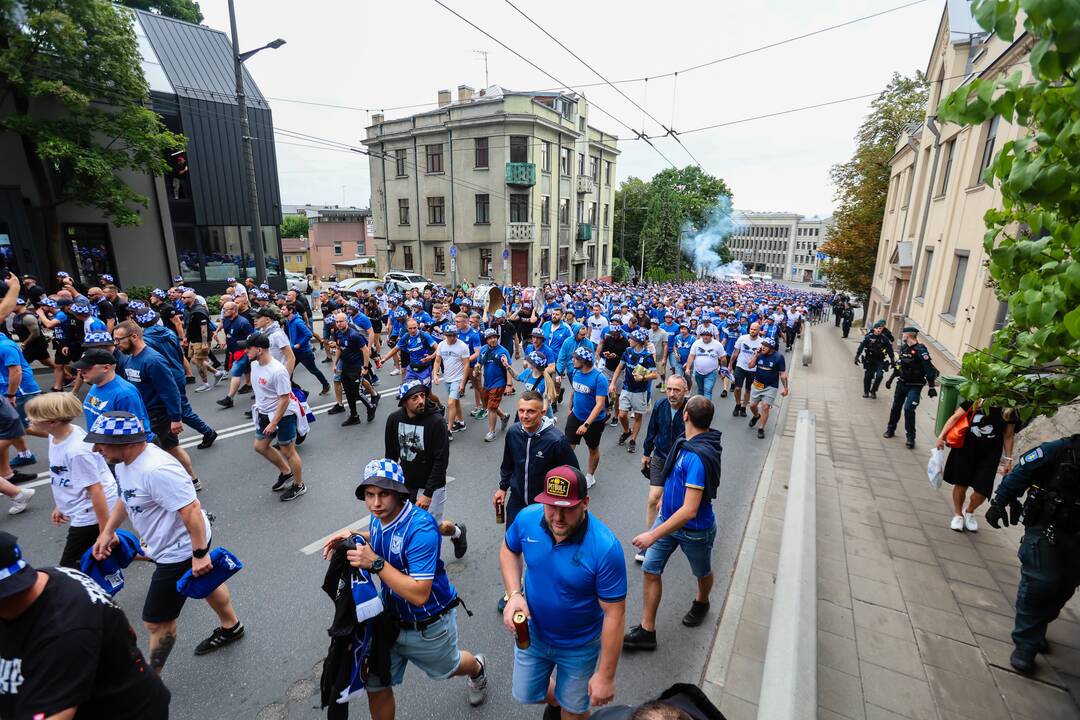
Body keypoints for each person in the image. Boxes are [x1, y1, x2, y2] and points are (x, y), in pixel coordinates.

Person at [321, 459, 489, 718]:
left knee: (451, 666)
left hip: (428, 627)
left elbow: (419, 594)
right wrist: (353, 535)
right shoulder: (378, 517)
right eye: (369, 495)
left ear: (399, 493)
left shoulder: (420, 528)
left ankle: (477, 668)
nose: (376, 503)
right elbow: (378, 535)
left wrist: (374, 563)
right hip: (388, 620)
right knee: (375, 684)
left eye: (384, 494)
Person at [90, 411, 244, 670]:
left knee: (156, 622)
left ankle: (151, 681)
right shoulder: (125, 463)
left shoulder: (156, 470)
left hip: (181, 550)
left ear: (123, 442)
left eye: (100, 442)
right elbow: (125, 497)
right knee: (205, 581)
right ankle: (232, 626)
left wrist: (199, 556)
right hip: (172, 545)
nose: (95, 448)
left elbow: (191, 510)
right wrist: (107, 531)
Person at [501, 465, 627, 720]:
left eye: (567, 508)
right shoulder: (527, 519)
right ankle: (564, 698)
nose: (558, 516)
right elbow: (508, 549)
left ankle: (571, 704)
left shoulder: (605, 548)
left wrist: (605, 675)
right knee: (526, 693)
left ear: (585, 503)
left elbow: (615, 613)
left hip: (579, 646)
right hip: (533, 635)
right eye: (551, 506)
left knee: (574, 712)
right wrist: (514, 594)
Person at [0, 531, 171, 718]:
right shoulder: (52, 575)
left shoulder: (65, 631)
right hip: (128, 686)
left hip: (127, 710)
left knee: (157, 621)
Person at [624, 396, 723, 651]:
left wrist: (652, 534)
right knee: (651, 569)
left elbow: (690, 510)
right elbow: (674, 478)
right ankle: (647, 630)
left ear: (686, 416)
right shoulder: (687, 443)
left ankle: (702, 601)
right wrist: (665, 499)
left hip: (694, 532)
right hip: (667, 518)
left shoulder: (697, 458)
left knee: (702, 573)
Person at [983, 434, 1080, 675]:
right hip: (1046, 528)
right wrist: (999, 503)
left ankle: (1038, 625)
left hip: (1076, 537)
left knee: (1065, 586)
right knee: (1041, 582)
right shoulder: (1059, 450)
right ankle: (1026, 644)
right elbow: (1022, 472)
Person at [26, 392, 118, 568]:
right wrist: (62, 504)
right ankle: (150, 554)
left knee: (70, 566)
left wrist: (105, 531)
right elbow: (63, 475)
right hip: (83, 506)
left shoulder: (76, 451)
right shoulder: (56, 435)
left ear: (53, 422)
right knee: (98, 553)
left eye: (33, 417)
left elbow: (96, 490)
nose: (28, 419)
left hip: (91, 511)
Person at [114, 320, 205, 490]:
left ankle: (188, 480)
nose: (116, 344)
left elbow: (170, 391)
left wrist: (176, 418)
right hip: (143, 413)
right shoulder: (129, 358)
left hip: (158, 415)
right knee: (166, 449)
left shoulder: (153, 360)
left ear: (134, 337)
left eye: (119, 340)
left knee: (167, 449)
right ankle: (181, 481)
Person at [384, 380, 468, 558]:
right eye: (414, 398)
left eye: (422, 395)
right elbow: (391, 454)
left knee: (432, 528)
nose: (421, 400)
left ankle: (457, 533)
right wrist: (388, 486)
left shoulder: (436, 422)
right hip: (405, 484)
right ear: (404, 401)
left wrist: (428, 493)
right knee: (406, 525)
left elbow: (441, 461)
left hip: (432, 486)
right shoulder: (394, 419)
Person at [936, 400, 1016, 532]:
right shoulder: (975, 399)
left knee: (982, 491)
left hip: (989, 456)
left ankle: (969, 510)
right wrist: (941, 437)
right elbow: (955, 417)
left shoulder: (1008, 409)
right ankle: (958, 514)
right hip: (966, 450)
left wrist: (1008, 459)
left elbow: (1008, 436)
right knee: (961, 484)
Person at [246, 332, 306, 502]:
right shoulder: (255, 365)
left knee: (288, 450)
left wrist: (274, 423)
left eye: (248, 348)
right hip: (264, 413)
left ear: (259, 350)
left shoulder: (278, 371)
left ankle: (299, 484)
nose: (245, 351)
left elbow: (285, 399)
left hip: (283, 415)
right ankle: (286, 472)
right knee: (260, 446)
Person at [639, 375, 688, 563]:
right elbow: (651, 430)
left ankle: (671, 532)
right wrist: (646, 453)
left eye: (676, 390)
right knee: (653, 498)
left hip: (680, 461)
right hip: (660, 455)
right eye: (669, 389)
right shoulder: (660, 405)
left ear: (685, 391)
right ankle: (650, 540)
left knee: (669, 501)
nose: (672, 394)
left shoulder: (689, 409)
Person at [884, 327, 939, 448]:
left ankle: (910, 438)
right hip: (901, 383)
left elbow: (929, 370)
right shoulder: (904, 348)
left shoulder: (921, 351)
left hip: (915, 386)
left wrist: (931, 387)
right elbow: (899, 366)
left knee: (909, 409)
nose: (902, 336)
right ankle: (890, 430)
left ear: (908, 336)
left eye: (903, 334)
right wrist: (891, 379)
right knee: (895, 407)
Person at [563, 346, 608, 489]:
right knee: (567, 447)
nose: (573, 360)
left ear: (584, 360)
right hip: (576, 416)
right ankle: (568, 474)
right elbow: (574, 389)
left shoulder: (599, 378)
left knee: (593, 448)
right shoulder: (576, 371)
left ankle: (590, 476)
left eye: (575, 358)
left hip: (593, 422)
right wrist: (570, 406)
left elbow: (600, 404)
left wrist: (586, 425)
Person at [609, 329, 657, 454]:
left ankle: (633, 440)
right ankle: (626, 432)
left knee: (637, 416)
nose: (629, 340)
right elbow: (620, 367)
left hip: (640, 392)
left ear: (638, 341)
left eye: (631, 339)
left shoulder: (647, 356)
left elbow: (654, 374)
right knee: (622, 415)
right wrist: (613, 383)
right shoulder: (627, 351)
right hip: (626, 388)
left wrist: (644, 377)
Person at [332, 312, 377, 425]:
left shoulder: (354, 335)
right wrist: (335, 363)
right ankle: (354, 416)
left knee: (356, 391)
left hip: (356, 366)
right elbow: (338, 348)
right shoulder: (337, 334)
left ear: (346, 321)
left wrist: (365, 367)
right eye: (337, 321)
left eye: (341, 321)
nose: (339, 323)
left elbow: (365, 350)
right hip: (346, 367)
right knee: (348, 392)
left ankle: (371, 406)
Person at [432, 324, 473, 439]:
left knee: (450, 403)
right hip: (447, 378)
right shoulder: (441, 345)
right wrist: (435, 374)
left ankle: (448, 430)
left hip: (458, 378)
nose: (452, 337)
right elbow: (437, 360)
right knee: (455, 402)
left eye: (454, 335)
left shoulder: (462, 346)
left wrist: (462, 383)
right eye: (450, 335)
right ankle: (460, 422)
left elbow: (466, 365)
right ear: (445, 335)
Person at [746, 337, 789, 440]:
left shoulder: (779, 357)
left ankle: (761, 428)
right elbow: (750, 366)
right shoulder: (759, 354)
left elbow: (782, 374)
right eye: (762, 345)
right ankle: (756, 416)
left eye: (766, 346)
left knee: (765, 406)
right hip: (757, 384)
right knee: (752, 405)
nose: (763, 347)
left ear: (771, 347)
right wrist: (755, 355)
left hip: (771, 386)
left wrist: (786, 388)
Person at [284, 301, 330, 395]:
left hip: (304, 352)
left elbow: (308, 334)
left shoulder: (297, 322)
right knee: (288, 371)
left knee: (313, 370)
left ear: (290, 310)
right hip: (294, 351)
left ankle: (326, 384)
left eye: (283, 309)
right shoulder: (289, 321)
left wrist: (299, 344)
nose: (281, 311)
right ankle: (298, 391)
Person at [478, 327, 513, 442]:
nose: (493, 340)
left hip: (499, 383)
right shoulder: (483, 350)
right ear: (486, 340)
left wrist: (509, 385)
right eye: (490, 338)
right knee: (490, 405)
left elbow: (508, 368)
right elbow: (479, 364)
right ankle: (504, 416)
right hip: (487, 382)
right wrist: (476, 370)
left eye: (494, 337)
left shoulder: (503, 351)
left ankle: (491, 432)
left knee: (491, 408)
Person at [728, 322, 762, 417]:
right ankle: (738, 404)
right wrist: (730, 365)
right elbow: (735, 353)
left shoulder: (761, 342)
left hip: (753, 369)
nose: (752, 331)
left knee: (748, 390)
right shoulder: (742, 338)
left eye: (755, 329)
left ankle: (743, 407)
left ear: (759, 331)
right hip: (740, 366)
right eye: (751, 329)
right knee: (737, 388)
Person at [854, 321, 895, 399]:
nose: (879, 330)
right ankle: (866, 391)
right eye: (877, 328)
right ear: (874, 329)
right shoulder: (869, 337)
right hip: (869, 360)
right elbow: (861, 346)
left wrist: (892, 360)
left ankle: (873, 391)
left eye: (880, 328)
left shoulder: (884, 339)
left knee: (879, 376)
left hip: (880, 361)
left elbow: (890, 350)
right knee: (868, 376)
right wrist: (857, 356)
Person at [683, 327, 724, 400]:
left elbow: (723, 357)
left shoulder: (717, 345)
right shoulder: (696, 343)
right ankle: (700, 408)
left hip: (711, 372)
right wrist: (688, 368)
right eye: (703, 335)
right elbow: (691, 356)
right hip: (698, 372)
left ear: (711, 335)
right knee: (700, 390)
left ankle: (707, 410)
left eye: (707, 335)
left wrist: (724, 369)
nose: (705, 337)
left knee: (708, 391)